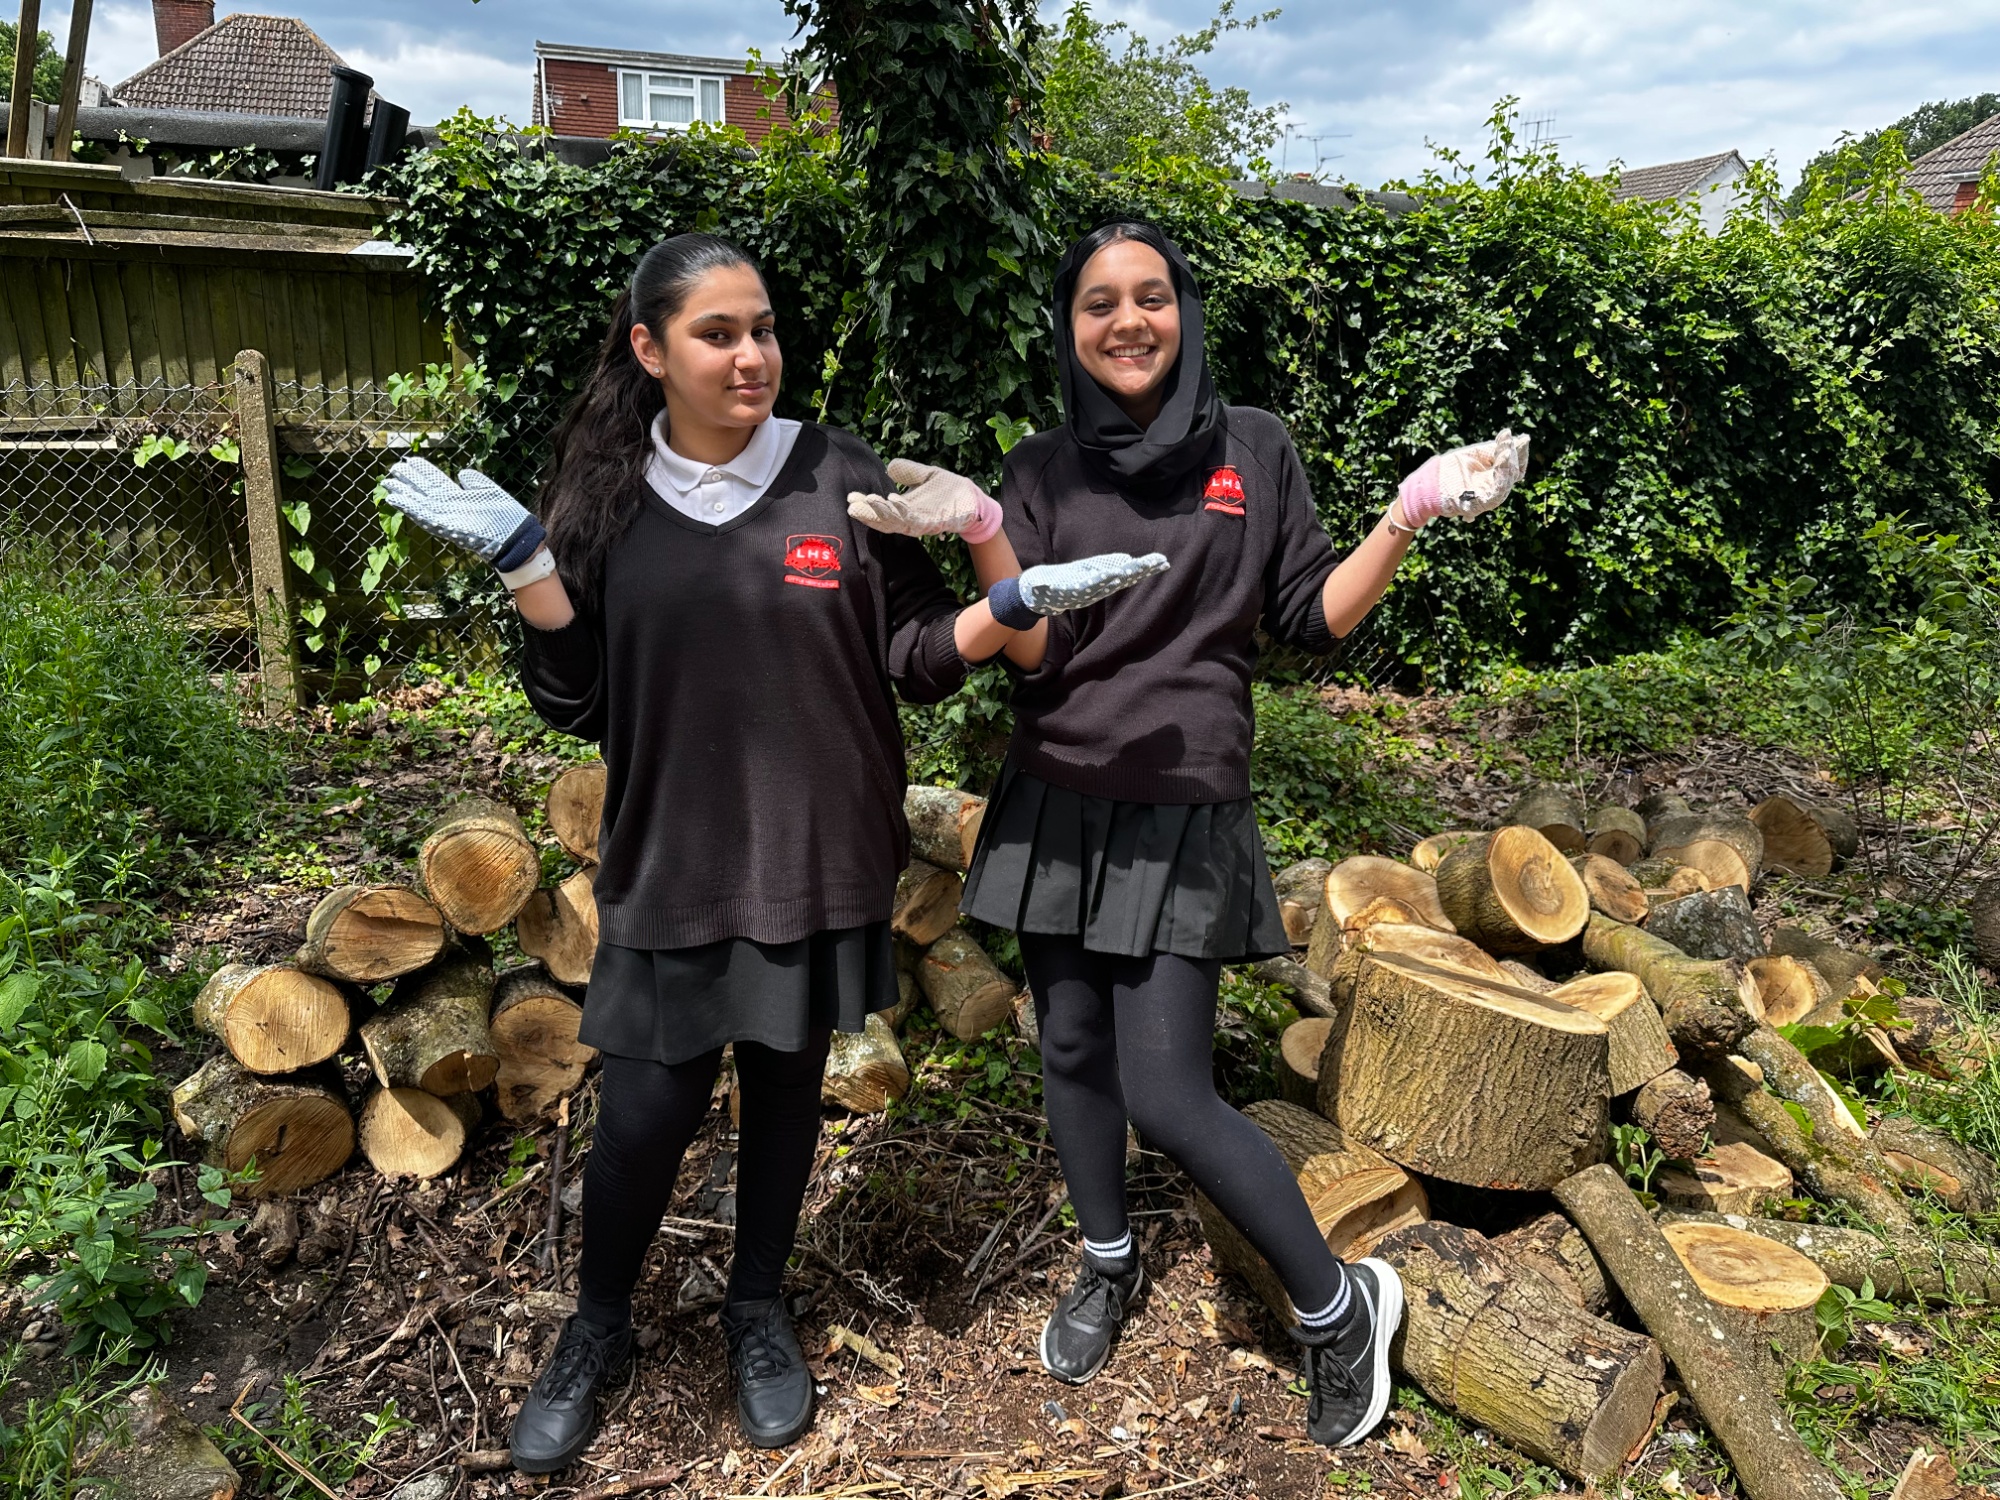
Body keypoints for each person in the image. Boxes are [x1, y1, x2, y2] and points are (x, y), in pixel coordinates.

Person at [377, 232, 1169, 1472]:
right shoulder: (608, 495)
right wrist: (532, 566)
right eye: (716, 334)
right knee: (646, 1104)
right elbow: (575, 701)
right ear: (650, 350)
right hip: (675, 848)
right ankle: (598, 1324)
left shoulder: (834, 473)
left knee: (787, 1089)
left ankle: (758, 1304)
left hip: (816, 842)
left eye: (763, 329)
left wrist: (1004, 599)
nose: (751, 357)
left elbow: (908, 657)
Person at [854, 219, 1526, 1448]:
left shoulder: (1253, 448)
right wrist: (984, 542)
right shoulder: (1041, 466)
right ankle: (1107, 1260)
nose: (1125, 322)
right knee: (1066, 1047)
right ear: (1068, 328)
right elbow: (1038, 649)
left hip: (1184, 800)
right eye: (1097, 303)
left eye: (1148, 297)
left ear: (1182, 311)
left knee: (1164, 1088)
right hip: (1057, 786)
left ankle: (1336, 1307)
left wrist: (1408, 512)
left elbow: (1304, 621)